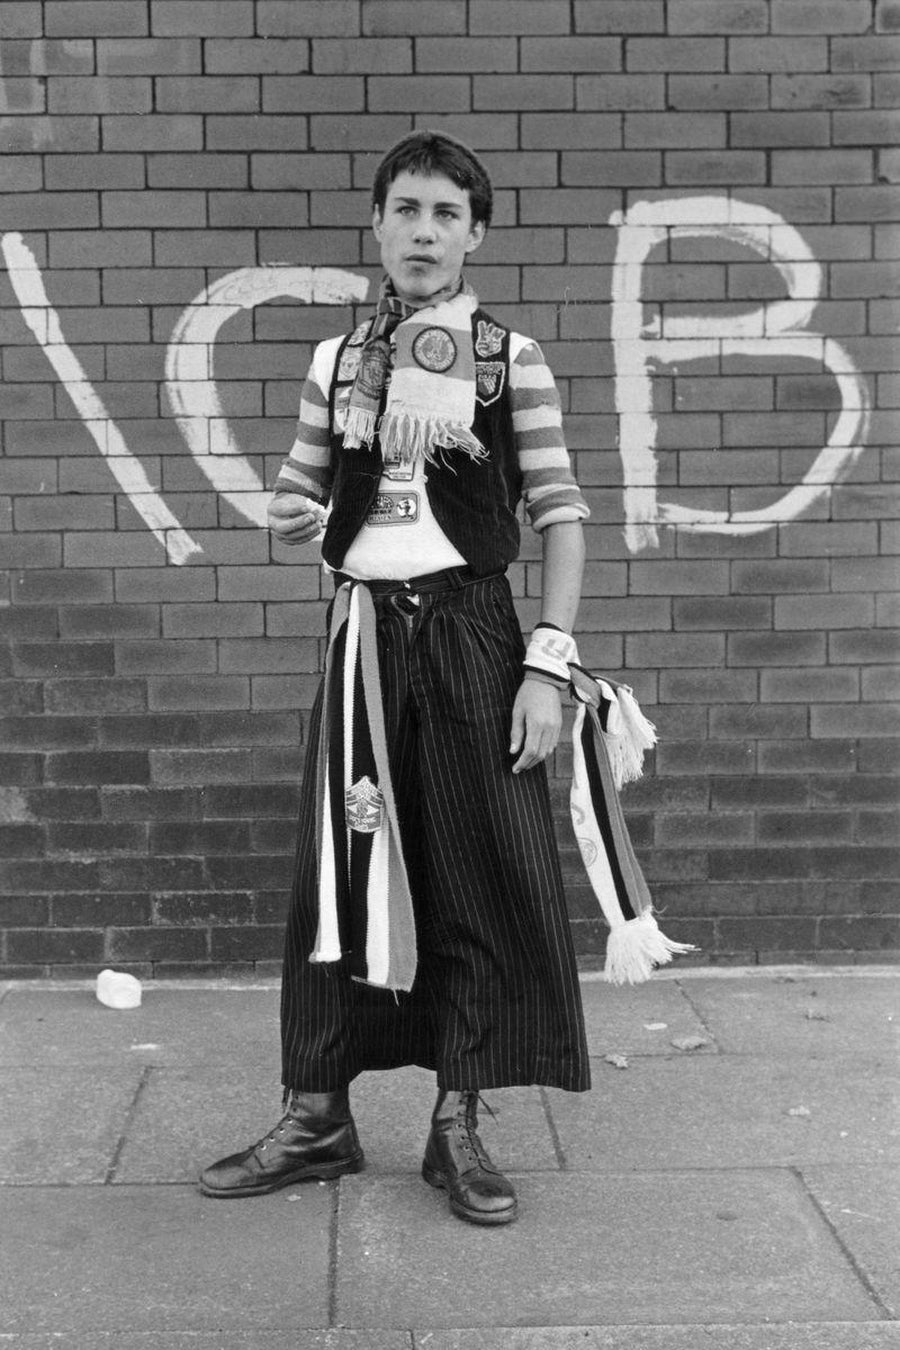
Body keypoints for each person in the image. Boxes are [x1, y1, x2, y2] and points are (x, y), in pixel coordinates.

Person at [199, 130, 593, 1227]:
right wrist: (285, 516)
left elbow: (560, 514)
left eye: (446, 214)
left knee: (475, 871)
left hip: (476, 637)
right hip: (364, 634)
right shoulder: (335, 363)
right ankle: (315, 1115)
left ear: (476, 235)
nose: (424, 231)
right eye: (406, 209)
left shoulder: (513, 363)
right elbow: (299, 495)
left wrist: (548, 667)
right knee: (340, 869)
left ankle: (456, 1125)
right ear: (377, 223)